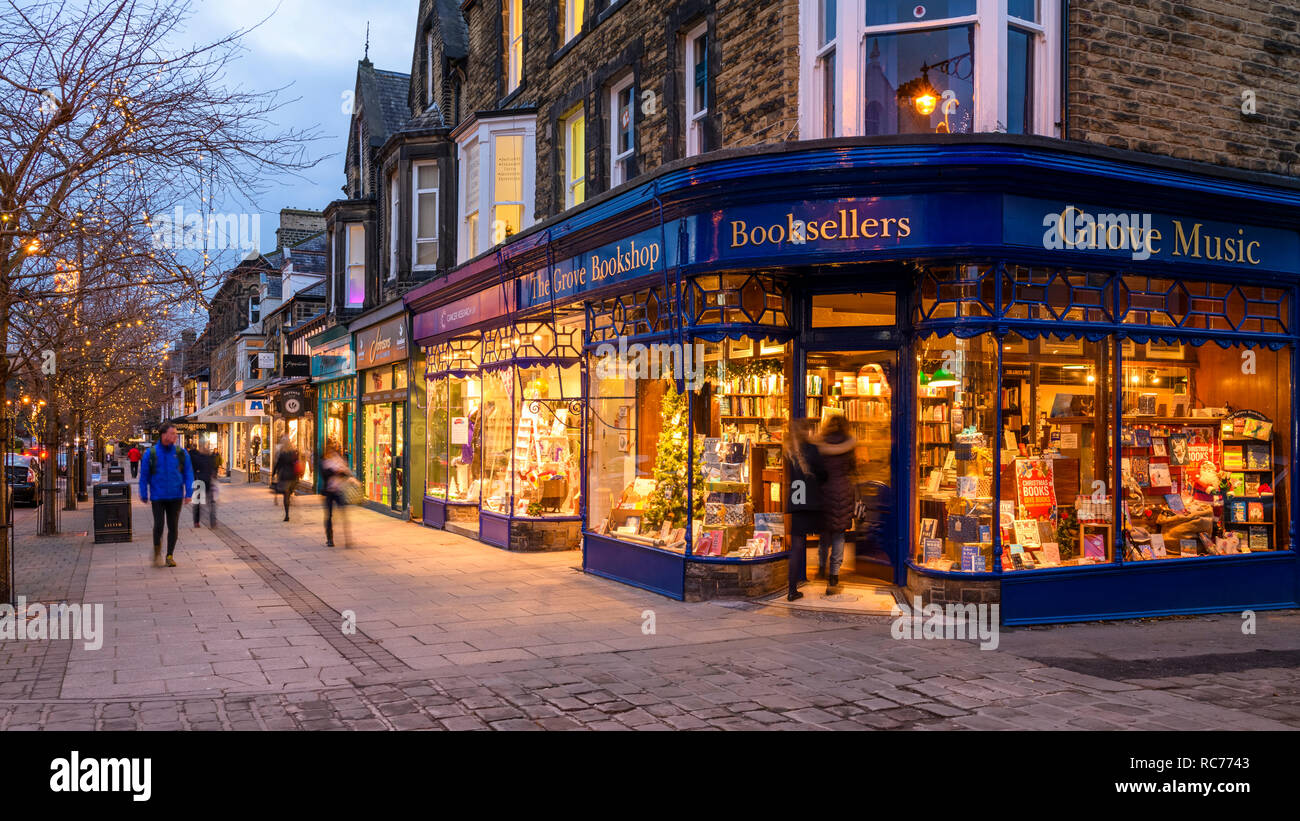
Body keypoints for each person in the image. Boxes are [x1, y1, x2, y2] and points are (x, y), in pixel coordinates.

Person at [783, 418, 827, 602]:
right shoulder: (812, 449)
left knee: (797, 546)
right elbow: (824, 474)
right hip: (813, 501)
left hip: (797, 501)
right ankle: (825, 572)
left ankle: (792, 589)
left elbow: (788, 478)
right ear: (807, 432)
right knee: (829, 533)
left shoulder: (789, 452)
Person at [138, 423, 194, 568]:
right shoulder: (151, 453)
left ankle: (169, 555)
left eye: (176, 433)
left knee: (173, 526)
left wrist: (189, 492)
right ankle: (157, 551)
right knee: (159, 525)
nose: (175, 436)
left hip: (175, 496)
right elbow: (144, 475)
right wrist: (143, 493)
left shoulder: (181, 453)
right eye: (172, 433)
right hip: (158, 496)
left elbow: (188, 473)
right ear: (163, 435)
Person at [814, 413, 858, 594]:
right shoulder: (849, 445)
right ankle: (834, 575)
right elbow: (853, 468)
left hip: (824, 492)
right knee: (839, 535)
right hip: (844, 491)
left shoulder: (820, 444)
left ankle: (821, 567)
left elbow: (816, 469)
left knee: (824, 534)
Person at [320, 441, 353, 547]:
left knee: (344, 514)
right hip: (329, 492)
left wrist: (340, 472)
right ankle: (330, 539)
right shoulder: (324, 462)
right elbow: (324, 475)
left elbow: (347, 473)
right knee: (329, 516)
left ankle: (347, 539)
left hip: (339, 491)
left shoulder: (338, 460)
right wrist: (335, 471)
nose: (331, 452)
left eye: (332, 450)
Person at [189, 440, 217, 528]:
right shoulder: (208, 457)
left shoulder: (199, 457)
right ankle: (211, 522)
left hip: (201, 481)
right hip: (204, 481)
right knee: (209, 503)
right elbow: (213, 469)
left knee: (200, 503)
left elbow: (194, 469)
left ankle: (198, 522)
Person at [272, 435, 299, 522]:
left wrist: (273, 474)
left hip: (284, 476)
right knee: (289, 492)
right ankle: (291, 494)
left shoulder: (282, 454)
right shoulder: (293, 453)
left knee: (285, 496)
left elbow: (277, 465)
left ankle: (287, 514)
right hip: (293, 476)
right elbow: (296, 463)